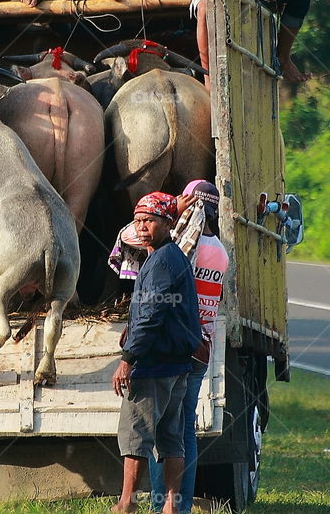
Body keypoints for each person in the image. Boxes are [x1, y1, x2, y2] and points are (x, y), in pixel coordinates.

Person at [112, 192, 201, 514]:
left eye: (149, 221)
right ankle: (171, 507)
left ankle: (126, 504)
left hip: (154, 366)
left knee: (136, 438)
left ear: (168, 222)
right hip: (176, 365)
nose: (142, 227)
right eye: (138, 221)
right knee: (171, 439)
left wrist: (127, 360)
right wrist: (132, 323)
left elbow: (152, 314)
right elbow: (151, 310)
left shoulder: (162, 261)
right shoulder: (170, 256)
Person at [147, 181, 228, 513]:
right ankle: (178, 507)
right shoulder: (221, 253)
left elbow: (149, 256)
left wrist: (171, 213)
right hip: (201, 348)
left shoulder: (182, 247)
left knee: (160, 433)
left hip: (174, 348)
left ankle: (158, 505)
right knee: (186, 432)